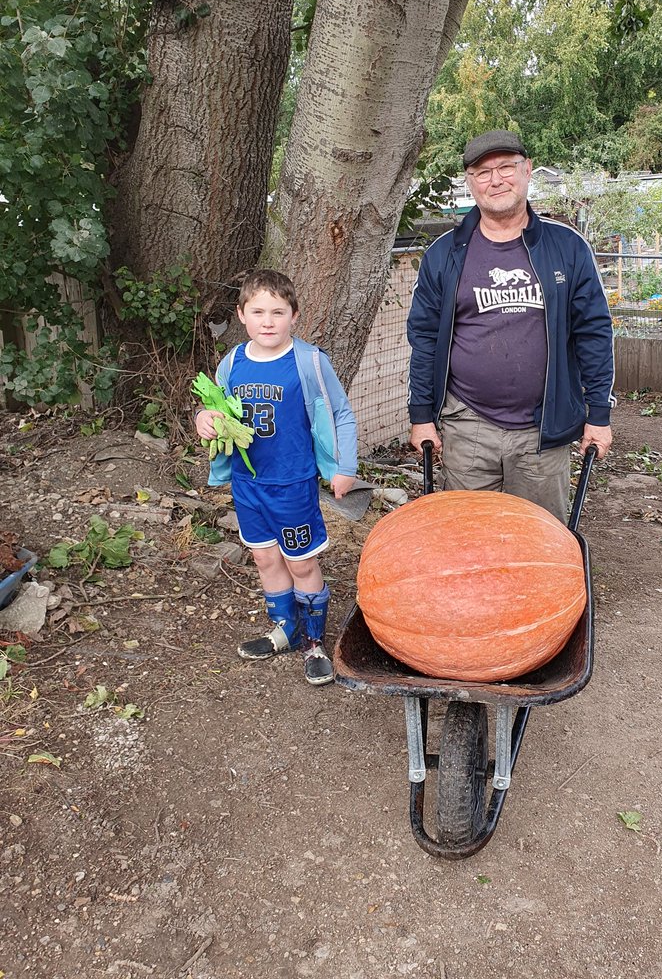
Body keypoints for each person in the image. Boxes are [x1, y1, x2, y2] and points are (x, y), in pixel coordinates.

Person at [406, 130, 614, 522]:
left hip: (542, 428)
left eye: (506, 167)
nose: (496, 179)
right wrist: (421, 416)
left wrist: (599, 414)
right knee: (468, 536)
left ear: (527, 170)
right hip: (467, 423)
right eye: (483, 172)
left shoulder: (566, 247)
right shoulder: (444, 254)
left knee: (539, 539)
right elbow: (425, 338)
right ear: (470, 181)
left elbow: (594, 334)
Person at [195, 269, 357, 684]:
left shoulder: (309, 362)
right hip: (248, 485)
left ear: (294, 316)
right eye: (258, 311)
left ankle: (314, 642)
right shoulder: (232, 363)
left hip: (292, 483)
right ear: (242, 315)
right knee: (265, 557)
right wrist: (204, 419)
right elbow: (215, 408)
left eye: (278, 312)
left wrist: (344, 467)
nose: (268, 321)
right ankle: (285, 629)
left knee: (301, 563)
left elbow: (339, 414)